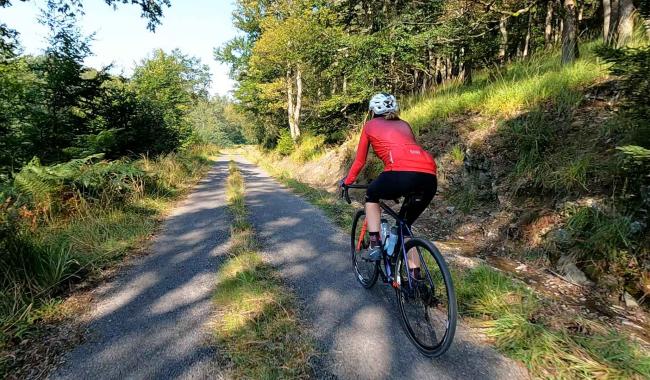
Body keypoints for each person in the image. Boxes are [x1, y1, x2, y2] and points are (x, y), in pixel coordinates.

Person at [340, 93, 437, 278]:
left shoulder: (370, 125)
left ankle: (375, 243)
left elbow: (360, 161)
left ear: (372, 110)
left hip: (400, 173)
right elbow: (409, 152)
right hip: (429, 175)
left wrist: (347, 181)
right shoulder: (404, 124)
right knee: (404, 227)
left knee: (371, 194)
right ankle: (416, 278)